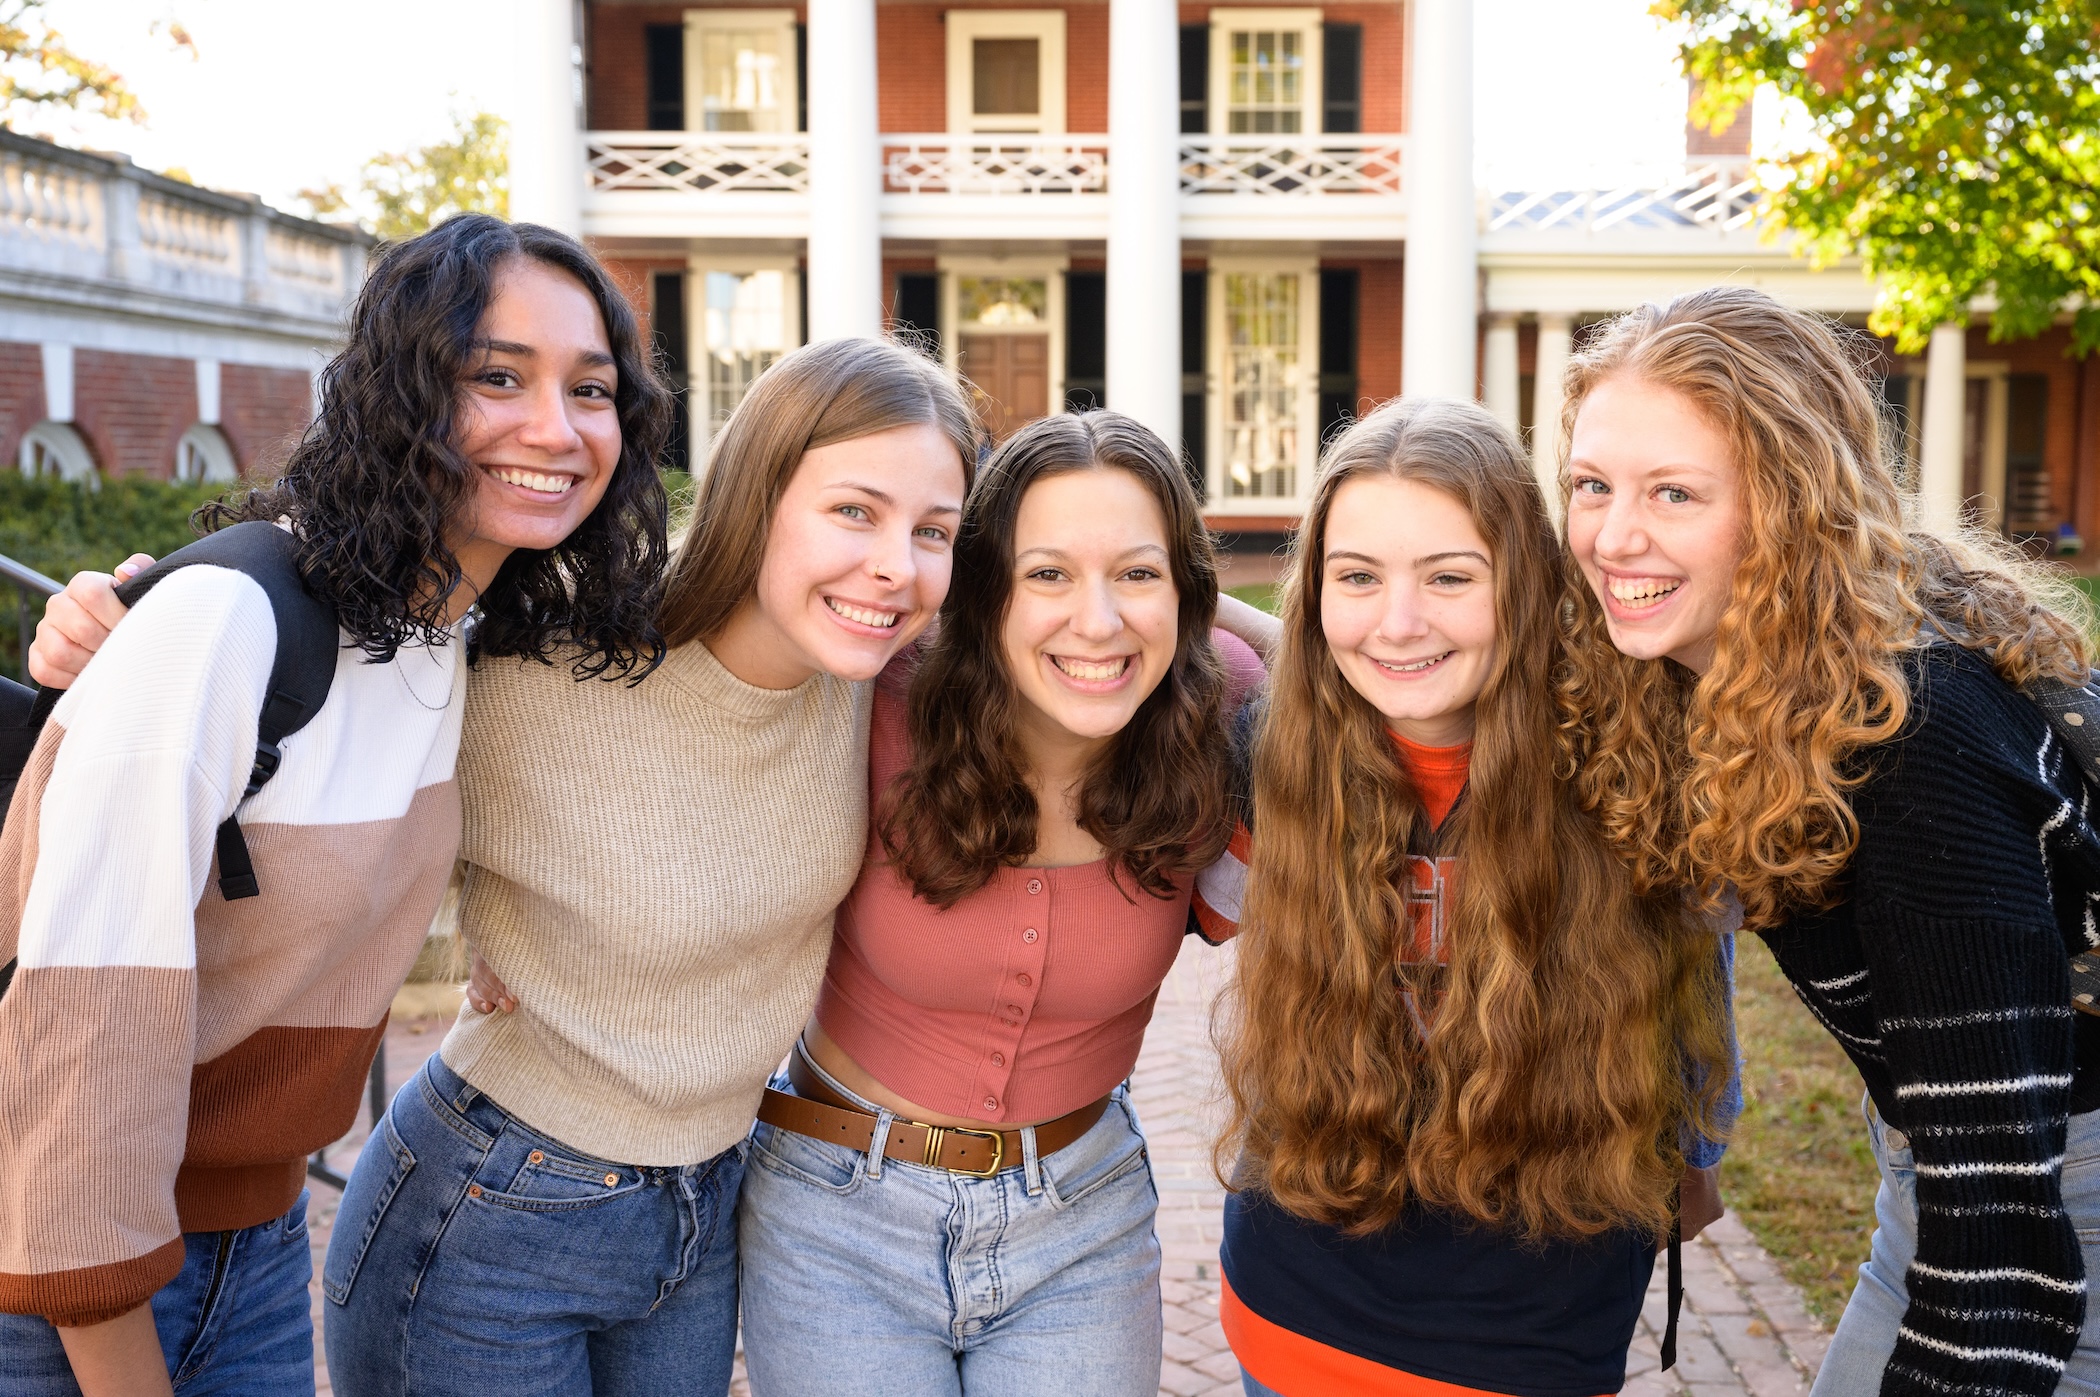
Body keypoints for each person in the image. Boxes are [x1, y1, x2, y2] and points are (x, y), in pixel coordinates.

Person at [26, 336, 979, 1396]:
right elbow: (357, 666)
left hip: (702, 1211)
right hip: (489, 1208)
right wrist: (121, 625)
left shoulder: (882, 676)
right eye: (855, 510)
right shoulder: (552, 651)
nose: (896, 562)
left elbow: (1114, 625)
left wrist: (1185, 593)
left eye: (933, 529)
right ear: (758, 494)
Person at [0, 213, 672, 1397]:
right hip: (63, 1277)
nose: (555, 428)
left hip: (254, 1247)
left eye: (592, 388)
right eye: (496, 376)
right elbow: (81, 1030)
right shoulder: (225, 622)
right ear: (404, 389)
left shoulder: (451, 636)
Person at [1557, 285, 2100, 1397]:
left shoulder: (1912, 750)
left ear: (1790, 504)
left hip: (2049, 1197)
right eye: (1591, 485)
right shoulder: (1749, 662)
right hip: (1940, 1165)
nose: (1616, 535)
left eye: (1674, 492)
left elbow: (2006, 1248)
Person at [728, 410, 1263, 1397]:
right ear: (983, 591)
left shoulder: (1222, 715)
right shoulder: (878, 700)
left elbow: (1360, 668)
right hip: (835, 1208)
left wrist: (1230, 618)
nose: (1096, 621)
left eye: (1139, 574)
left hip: (1083, 1217)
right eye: (1047, 572)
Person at [1212, 397, 1735, 1397]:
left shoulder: (1635, 758)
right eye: (1357, 576)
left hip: (1538, 1328)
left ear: (1528, 583)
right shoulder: (1275, 754)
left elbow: (1704, 986)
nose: (1398, 622)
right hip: (1293, 1315)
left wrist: (1697, 1149)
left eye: (1450, 576)